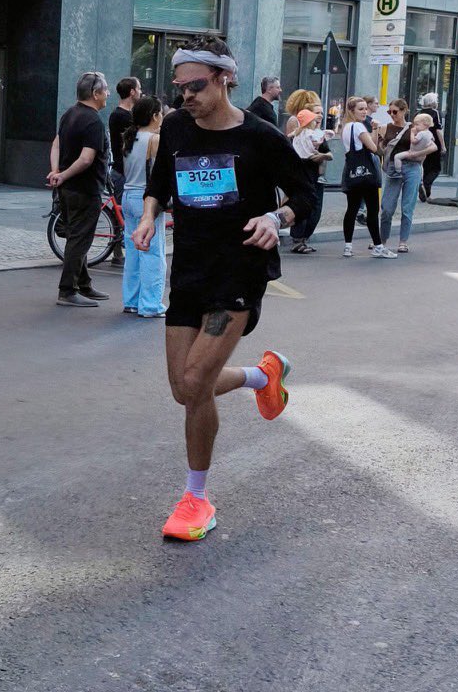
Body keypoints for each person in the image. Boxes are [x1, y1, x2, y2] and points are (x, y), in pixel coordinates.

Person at [132, 35, 313, 541]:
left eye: (195, 86)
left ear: (224, 78)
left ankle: (196, 499)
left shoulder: (260, 137)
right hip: (189, 270)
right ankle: (262, 375)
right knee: (183, 389)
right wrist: (148, 217)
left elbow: (306, 194)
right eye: (179, 87)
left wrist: (276, 218)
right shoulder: (175, 127)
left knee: (195, 384)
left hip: (238, 273)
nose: (185, 95)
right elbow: (159, 184)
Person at [48, 71, 111, 306]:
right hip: (85, 189)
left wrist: (57, 172)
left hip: (66, 189)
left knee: (76, 236)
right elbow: (86, 159)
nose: (108, 94)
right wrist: (61, 174)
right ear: (95, 93)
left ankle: (84, 285)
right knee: (80, 239)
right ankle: (67, 290)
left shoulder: (69, 114)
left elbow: (56, 144)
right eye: (105, 90)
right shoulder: (93, 121)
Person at [122, 96, 166, 318]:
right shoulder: (154, 140)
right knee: (152, 253)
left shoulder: (129, 138)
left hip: (128, 195)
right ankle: (150, 304)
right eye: (161, 113)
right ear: (154, 116)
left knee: (133, 252)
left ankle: (131, 300)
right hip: (145, 199)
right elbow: (160, 174)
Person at [378, 98, 437, 254]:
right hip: (393, 168)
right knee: (387, 208)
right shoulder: (385, 128)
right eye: (389, 112)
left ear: (404, 111)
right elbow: (380, 149)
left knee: (407, 207)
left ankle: (403, 242)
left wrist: (416, 154)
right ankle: (382, 241)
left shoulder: (415, 126)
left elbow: (433, 147)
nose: (392, 114)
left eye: (395, 111)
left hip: (412, 167)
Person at [341, 96, 397, 259]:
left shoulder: (346, 127)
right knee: (372, 210)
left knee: (351, 209)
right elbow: (373, 147)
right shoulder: (359, 126)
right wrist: (375, 129)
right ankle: (378, 246)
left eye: (365, 108)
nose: (364, 112)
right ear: (351, 111)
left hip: (352, 172)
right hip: (366, 174)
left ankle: (348, 246)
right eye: (360, 109)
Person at [289, 102, 333, 254]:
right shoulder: (299, 134)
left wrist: (322, 155)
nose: (320, 116)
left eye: (321, 113)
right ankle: (297, 240)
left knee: (315, 209)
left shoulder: (319, 135)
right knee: (302, 205)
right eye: (316, 113)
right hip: (301, 176)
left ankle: (304, 238)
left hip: (316, 177)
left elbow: (329, 154)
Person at [108, 77, 142, 203]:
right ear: (132, 92)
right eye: (139, 88)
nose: (141, 92)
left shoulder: (121, 114)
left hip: (124, 171)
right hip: (124, 172)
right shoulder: (122, 116)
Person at [419, 92, 447, 201]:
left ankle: (426, 192)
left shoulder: (419, 113)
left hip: (421, 144)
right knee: (436, 168)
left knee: (425, 167)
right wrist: (443, 145)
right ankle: (426, 185)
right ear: (433, 102)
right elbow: (438, 130)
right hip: (433, 144)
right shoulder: (435, 113)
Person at [356, 95, 379, 227]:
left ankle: (360, 210)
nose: (378, 106)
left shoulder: (361, 122)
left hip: (362, 158)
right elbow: (373, 145)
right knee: (365, 185)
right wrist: (376, 130)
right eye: (376, 103)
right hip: (365, 158)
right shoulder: (366, 123)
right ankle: (360, 211)